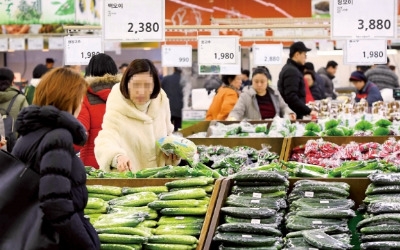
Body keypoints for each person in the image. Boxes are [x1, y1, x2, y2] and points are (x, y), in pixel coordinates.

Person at [11, 67, 100, 249]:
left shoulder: (30, 133)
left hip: (31, 234)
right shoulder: (58, 136)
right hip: (53, 239)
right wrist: (86, 243)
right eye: (79, 98)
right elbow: (56, 203)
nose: (81, 105)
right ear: (67, 98)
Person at [95, 59, 180, 172]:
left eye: (147, 85)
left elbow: (167, 136)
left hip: (159, 182)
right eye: (136, 85)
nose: (141, 91)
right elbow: (106, 138)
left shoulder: (161, 101)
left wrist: (173, 154)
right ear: (127, 84)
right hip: (129, 183)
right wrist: (117, 157)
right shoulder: (118, 103)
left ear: (154, 86)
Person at [76, 53, 121, 169]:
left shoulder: (84, 96)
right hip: (121, 161)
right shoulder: (125, 96)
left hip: (93, 164)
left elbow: (80, 131)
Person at [277, 41, 318, 119]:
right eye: (304, 55)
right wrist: (308, 111)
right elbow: (291, 97)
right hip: (293, 116)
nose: (306, 57)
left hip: (292, 114)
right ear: (297, 54)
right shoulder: (292, 71)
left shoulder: (291, 69)